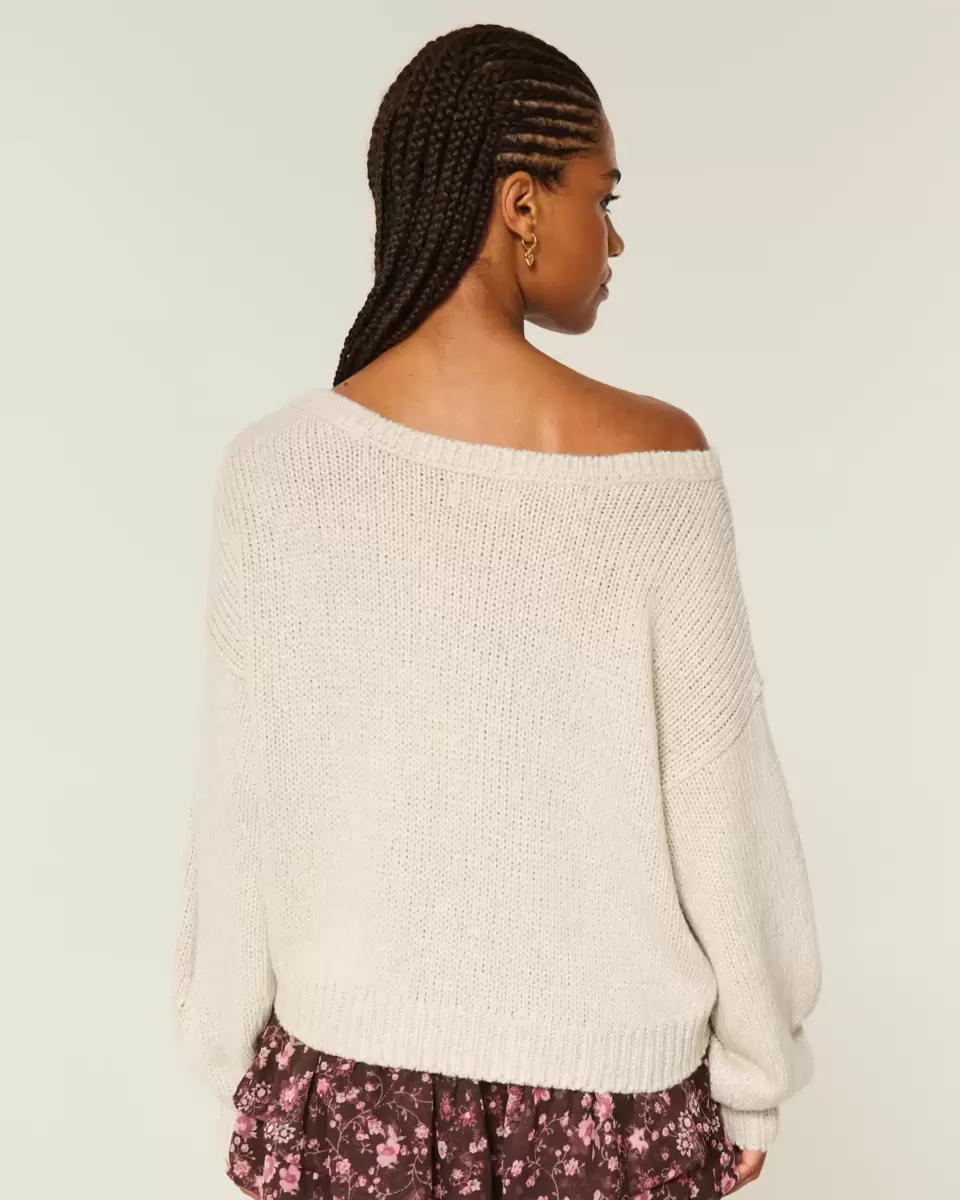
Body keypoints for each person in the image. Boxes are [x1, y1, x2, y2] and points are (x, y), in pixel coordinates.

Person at [172, 22, 822, 1200]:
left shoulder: (275, 470)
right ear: (522, 203)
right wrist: (755, 1073)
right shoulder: (656, 466)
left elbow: (243, 802)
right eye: (602, 196)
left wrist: (236, 1065)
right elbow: (720, 797)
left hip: (346, 1099)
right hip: (611, 1114)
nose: (613, 237)